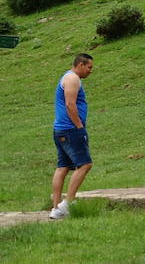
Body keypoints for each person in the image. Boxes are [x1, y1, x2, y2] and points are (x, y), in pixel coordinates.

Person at [50, 53, 93, 220]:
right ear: (80, 64)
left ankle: (56, 209)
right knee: (85, 164)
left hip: (60, 129)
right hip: (70, 129)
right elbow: (70, 104)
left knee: (63, 167)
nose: (90, 71)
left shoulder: (68, 77)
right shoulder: (73, 79)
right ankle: (67, 202)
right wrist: (79, 126)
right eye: (89, 67)